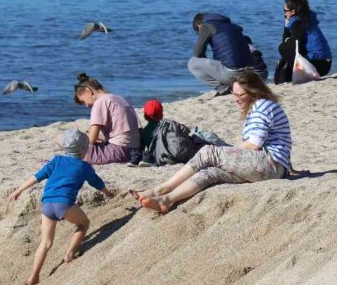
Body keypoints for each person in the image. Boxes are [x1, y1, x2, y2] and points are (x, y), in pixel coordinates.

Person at [131, 71, 292, 214]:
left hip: (269, 165)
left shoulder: (261, 105)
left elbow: (254, 144)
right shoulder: (262, 107)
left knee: (209, 151)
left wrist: (227, 151)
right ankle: (166, 200)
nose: (235, 99)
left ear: (253, 92)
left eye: (240, 95)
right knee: (210, 172)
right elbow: (277, 143)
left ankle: (161, 189)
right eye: (233, 93)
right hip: (273, 168)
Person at [7, 129, 115, 285]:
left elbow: (36, 177)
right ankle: (70, 253)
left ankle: (33, 276)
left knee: (45, 242)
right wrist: (107, 193)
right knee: (83, 224)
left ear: (65, 149)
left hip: (47, 204)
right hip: (64, 204)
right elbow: (97, 183)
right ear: (86, 149)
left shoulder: (56, 160)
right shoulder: (85, 167)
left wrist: (18, 190)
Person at [188, 13, 268, 95]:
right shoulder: (232, 26)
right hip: (256, 74)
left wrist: (206, 64)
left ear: (198, 24)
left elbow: (197, 53)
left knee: (192, 63)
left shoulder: (206, 26)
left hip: (234, 74)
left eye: (197, 30)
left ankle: (223, 89)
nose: (199, 33)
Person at [73, 73, 141, 165]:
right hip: (134, 149)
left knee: (73, 148)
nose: (87, 105)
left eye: (84, 101)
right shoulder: (119, 98)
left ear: (88, 90)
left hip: (119, 150)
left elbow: (92, 140)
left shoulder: (99, 102)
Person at [274, 0, 332, 84]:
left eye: (285, 11)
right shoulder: (306, 19)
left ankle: (297, 75)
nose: (284, 13)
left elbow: (295, 48)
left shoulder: (298, 24)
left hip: (318, 64)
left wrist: (286, 26)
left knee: (282, 48)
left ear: (293, 12)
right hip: (325, 62)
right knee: (286, 50)